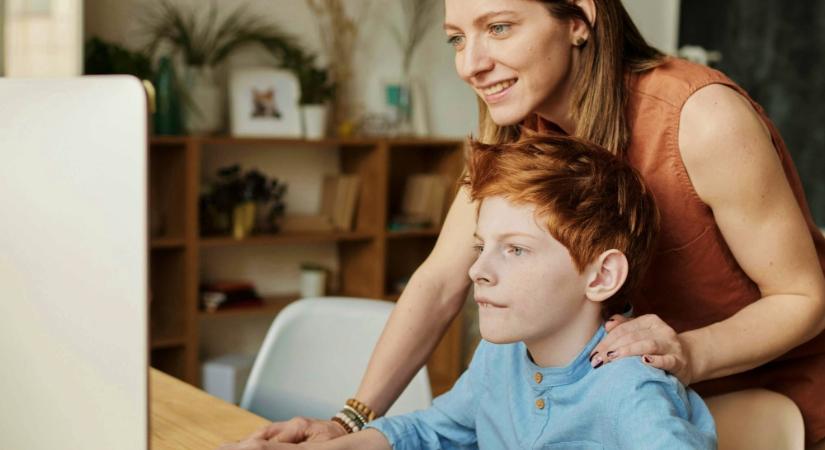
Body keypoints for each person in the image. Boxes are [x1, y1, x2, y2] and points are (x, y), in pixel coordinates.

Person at [247, 0, 825, 447]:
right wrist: (351, 420)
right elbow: (441, 279)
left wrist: (687, 353)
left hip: (773, 404)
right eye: (457, 38)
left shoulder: (701, 119)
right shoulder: (520, 130)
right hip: (630, 403)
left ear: (579, 18)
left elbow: (802, 295)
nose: (470, 63)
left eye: (498, 28)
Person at [221, 133, 718, 450]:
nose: (478, 269)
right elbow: (435, 431)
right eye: (481, 247)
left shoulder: (629, 389)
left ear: (601, 276)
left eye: (516, 250)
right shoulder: (498, 359)